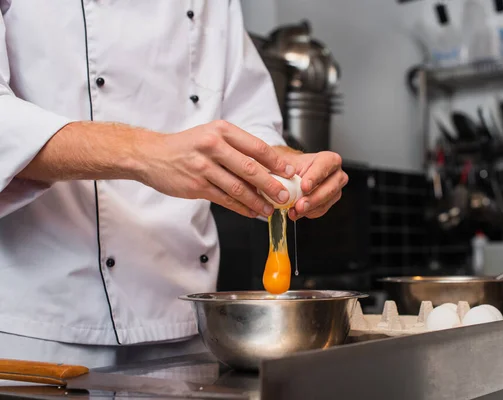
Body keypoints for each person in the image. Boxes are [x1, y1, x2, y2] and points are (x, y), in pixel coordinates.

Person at [0, 1, 347, 367]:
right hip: (47, 329)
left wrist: (288, 171)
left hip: (192, 326)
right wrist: (148, 154)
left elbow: (250, 124)